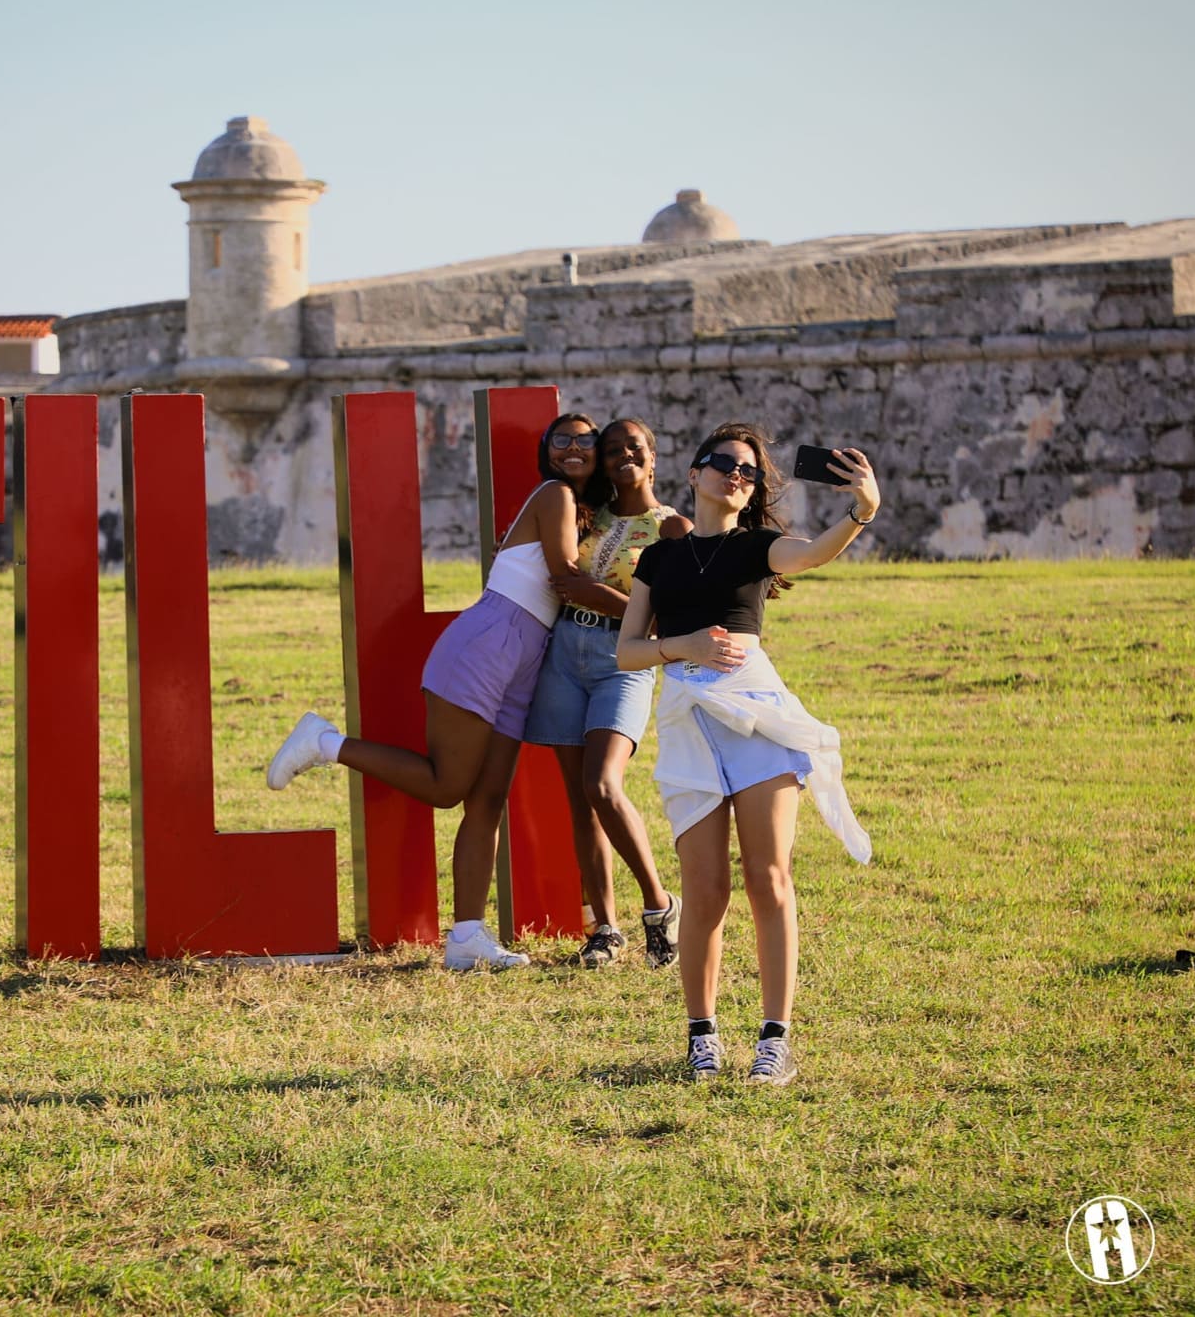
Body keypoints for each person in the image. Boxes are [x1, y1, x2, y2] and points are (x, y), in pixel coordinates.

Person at [266, 412, 607, 970]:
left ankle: (467, 936)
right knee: (449, 786)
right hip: (491, 639)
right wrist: (643, 608)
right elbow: (566, 577)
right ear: (547, 451)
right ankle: (325, 742)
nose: (574, 447)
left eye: (585, 439)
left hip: (525, 655)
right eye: (562, 439)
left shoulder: (581, 511)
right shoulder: (554, 495)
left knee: (488, 799)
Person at [617, 422, 878, 1086]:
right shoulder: (658, 559)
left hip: (757, 714)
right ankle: (702, 1037)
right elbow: (628, 652)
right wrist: (686, 648)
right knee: (704, 890)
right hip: (687, 721)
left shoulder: (758, 548)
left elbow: (816, 553)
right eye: (726, 464)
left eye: (751, 471)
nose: (739, 475)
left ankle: (774, 1040)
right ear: (695, 474)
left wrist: (859, 512)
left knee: (769, 877)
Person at [526, 418, 691, 969]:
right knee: (581, 802)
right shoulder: (584, 513)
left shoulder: (673, 528)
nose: (623, 456)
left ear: (654, 457)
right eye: (613, 448)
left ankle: (659, 904)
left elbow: (673, 619)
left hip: (623, 661)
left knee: (603, 782)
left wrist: (595, 594)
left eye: (634, 447)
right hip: (563, 655)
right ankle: (604, 929)